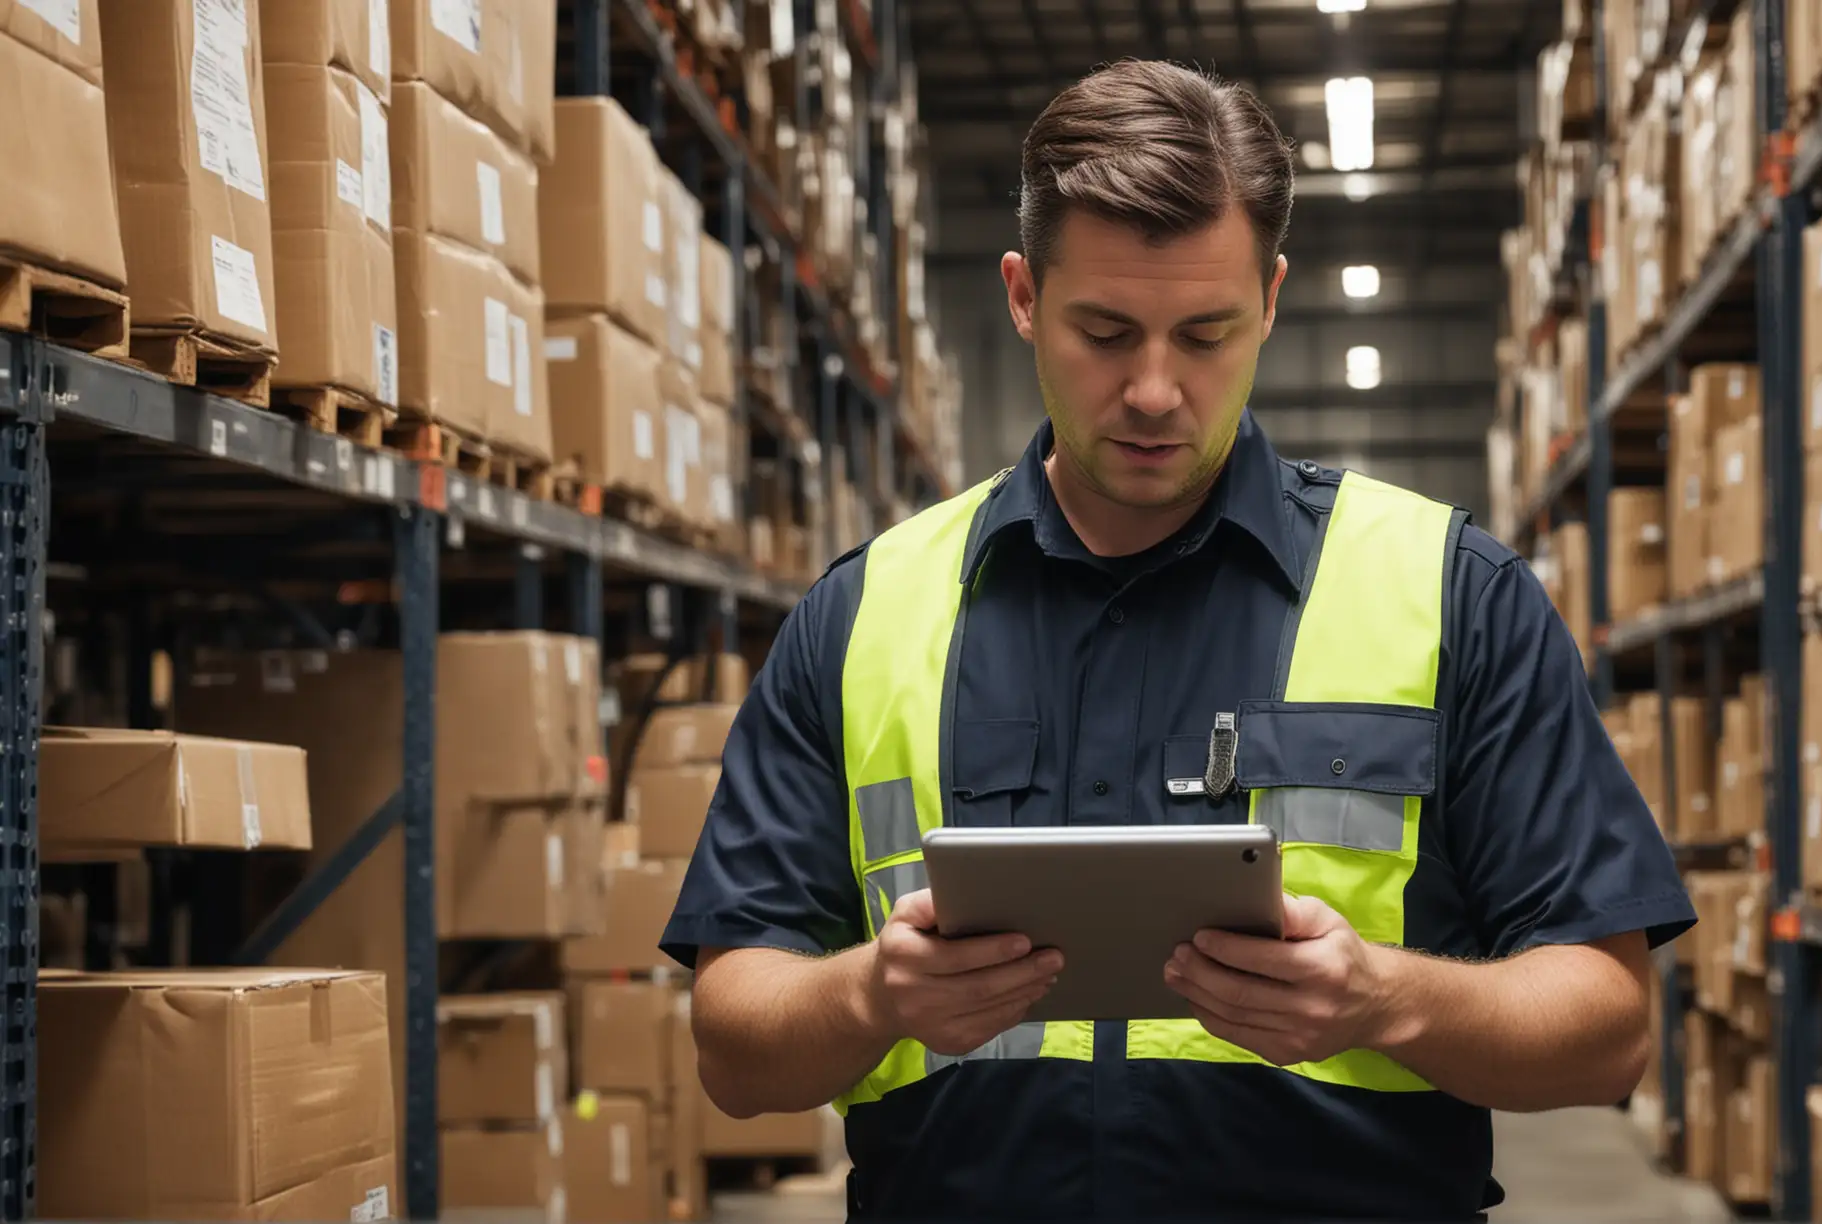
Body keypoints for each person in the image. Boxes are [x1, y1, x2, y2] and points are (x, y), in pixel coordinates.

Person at [663, 59, 1694, 1220]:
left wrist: (1381, 1001)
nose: (1155, 391)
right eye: (1104, 332)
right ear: (1019, 296)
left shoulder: (1453, 595)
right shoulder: (863, 615)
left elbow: (1608, 1030)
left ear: (1270, 302)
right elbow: (732, 1050)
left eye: (1205, 334)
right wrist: (874, 998)